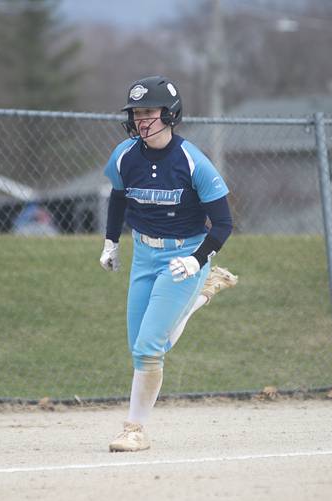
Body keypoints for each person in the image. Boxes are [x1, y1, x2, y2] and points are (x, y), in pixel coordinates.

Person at [99, 75, 238, 452]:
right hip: (143, 255)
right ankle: (199, 297)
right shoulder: (125, 155)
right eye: (136, 113)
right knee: (139, 347)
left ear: (170, 114)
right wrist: (111, 242)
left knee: (148, 348)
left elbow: (223, 224)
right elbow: (118, 197)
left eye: (149, 112)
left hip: (184, 256)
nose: (141, 120)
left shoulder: (193, 162)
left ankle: (134, 430)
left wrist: (197, 260)